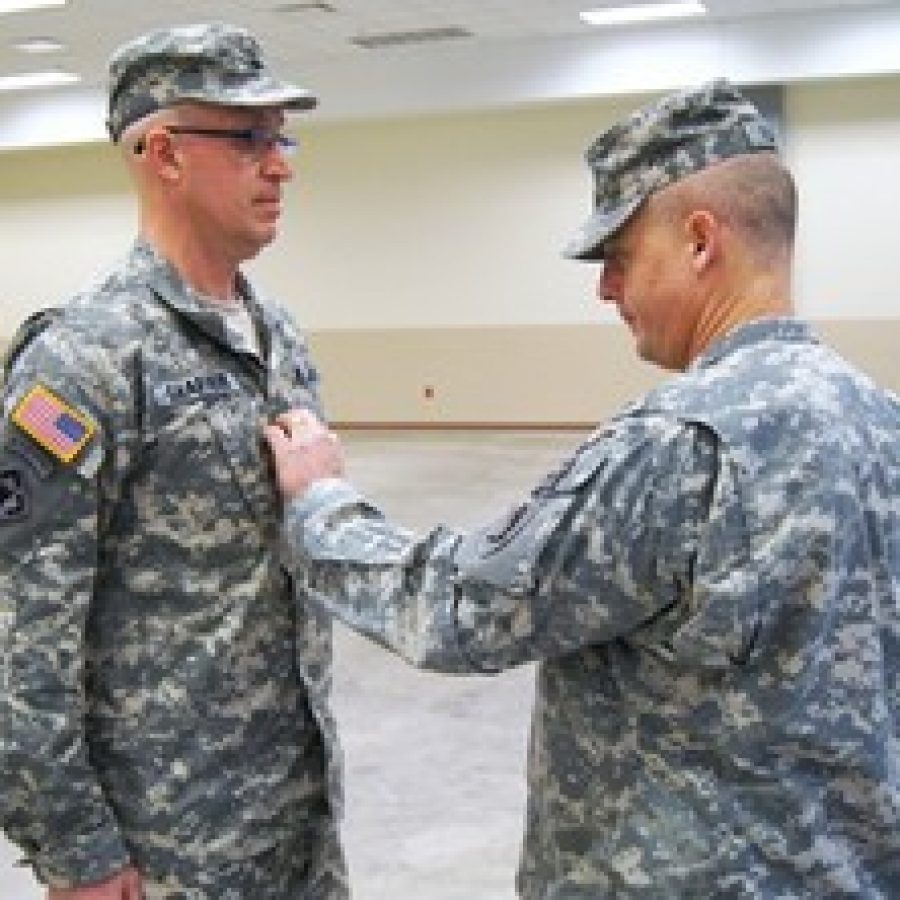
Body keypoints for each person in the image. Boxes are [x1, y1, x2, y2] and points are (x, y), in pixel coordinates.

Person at [264, 81, 899, 898]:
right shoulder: (879, 420)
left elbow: (464, 609)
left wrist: (322, 509)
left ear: (702, 241)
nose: (605, 290)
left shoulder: (679, 444)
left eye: (619, 257)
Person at [0, 23, 347, 900]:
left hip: (294, 822)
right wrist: (74, 846)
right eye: (248, 139)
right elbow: (19, 635)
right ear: (162, 153)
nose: (281, 164)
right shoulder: (84, 358)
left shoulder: (281, 339)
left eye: (282, 138)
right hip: (164, 848)